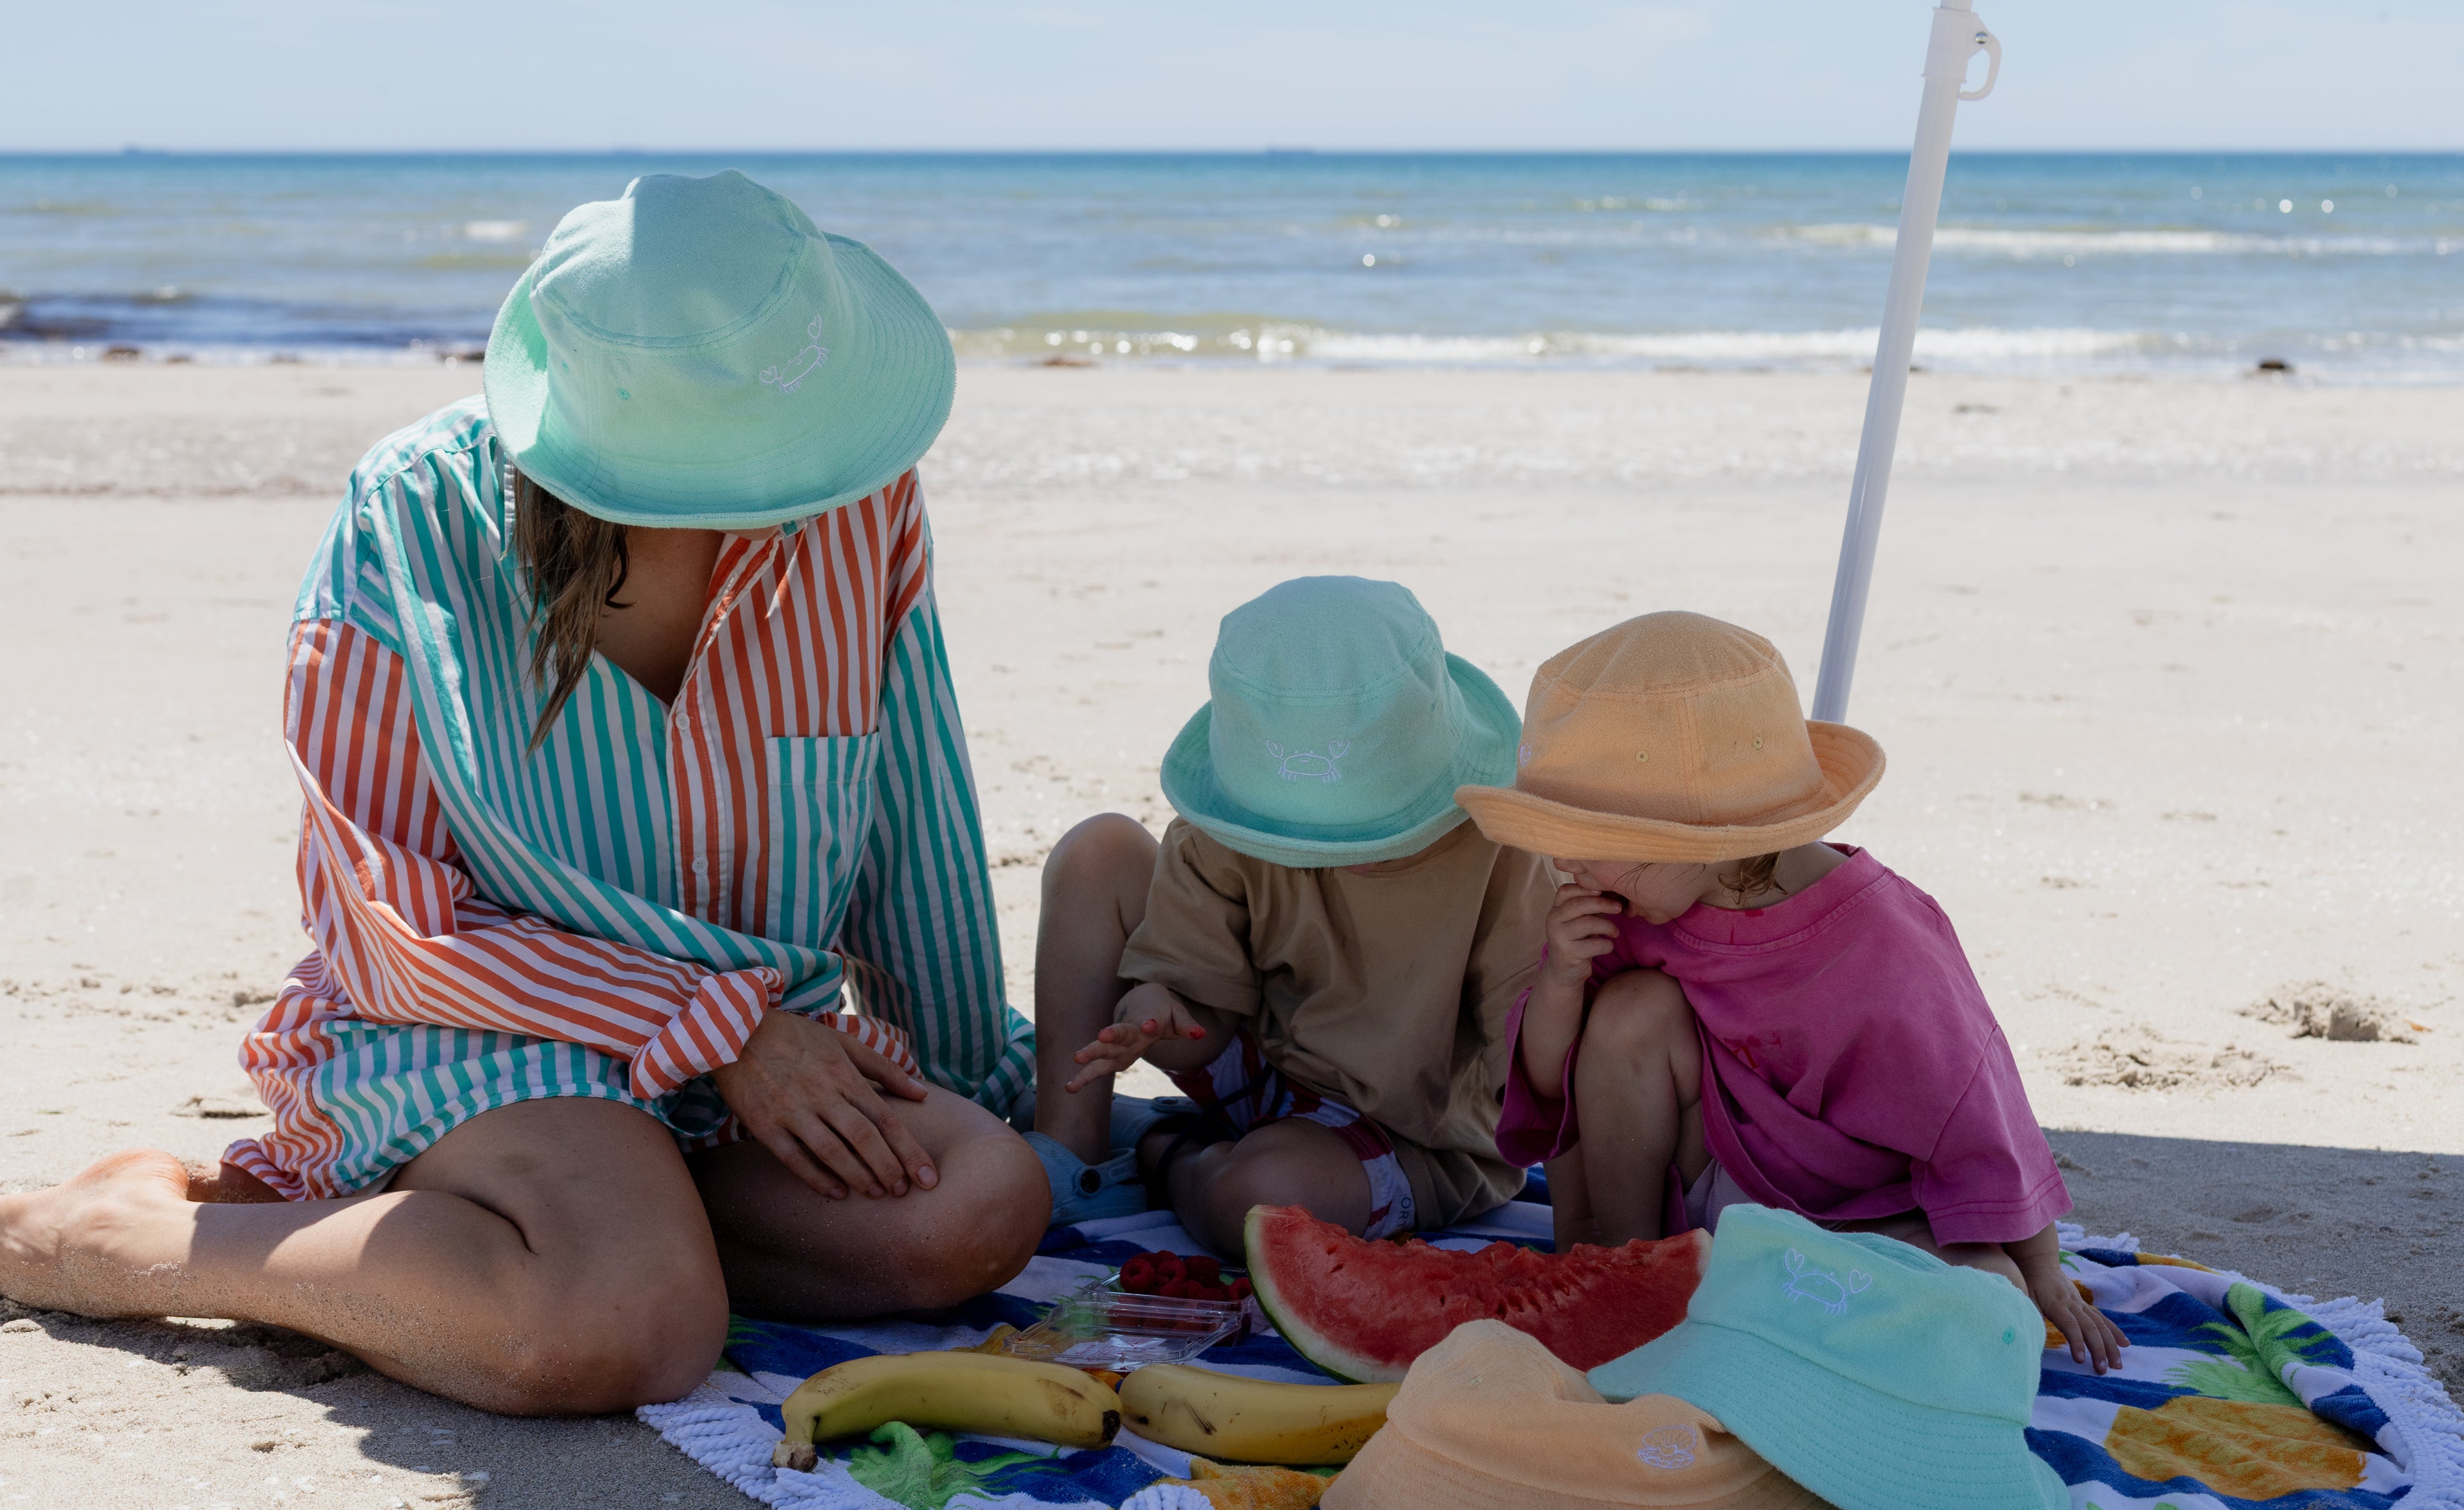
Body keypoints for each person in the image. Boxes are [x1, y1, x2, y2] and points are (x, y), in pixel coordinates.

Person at [0, 171, 1048, 1414]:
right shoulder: (413, 515)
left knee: (980, 1203)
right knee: (623, 1328)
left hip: (752, 1046)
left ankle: (551, 1233)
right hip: (486, 1030)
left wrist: (980, 1082)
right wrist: (724, 1027)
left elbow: (914, 807)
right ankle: (123, 1238)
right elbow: (392, 934)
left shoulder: (858, 489)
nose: (798, 479)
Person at [1456, 610, 2128, 1372]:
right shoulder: (1635, 904)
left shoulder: (1888, 947)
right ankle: (1623, 1269)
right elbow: (1550, 1081)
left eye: (1587, 847)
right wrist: (1561, 980)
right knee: (1627, 1011)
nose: (1567, 872)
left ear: (1701, 840)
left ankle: (1754, 1300)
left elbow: (1979, 1110)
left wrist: (2042, 1267)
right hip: (1708, 1190)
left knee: (1988, 1287)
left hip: (1859, 1222)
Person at [1028, 577, 1552, 1254]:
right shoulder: (1234, 826)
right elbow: (1200, 1029)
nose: (1337, 857)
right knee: (1097, 851)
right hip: (1262, 1071)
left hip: (1414, 1133)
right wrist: (1154, 1017)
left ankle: (1161, 1144)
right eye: (1312, 840)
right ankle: (1074, 1153)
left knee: (1257, 1199)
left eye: (1376, 831)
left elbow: (1533, 1061)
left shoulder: (1502, 849)